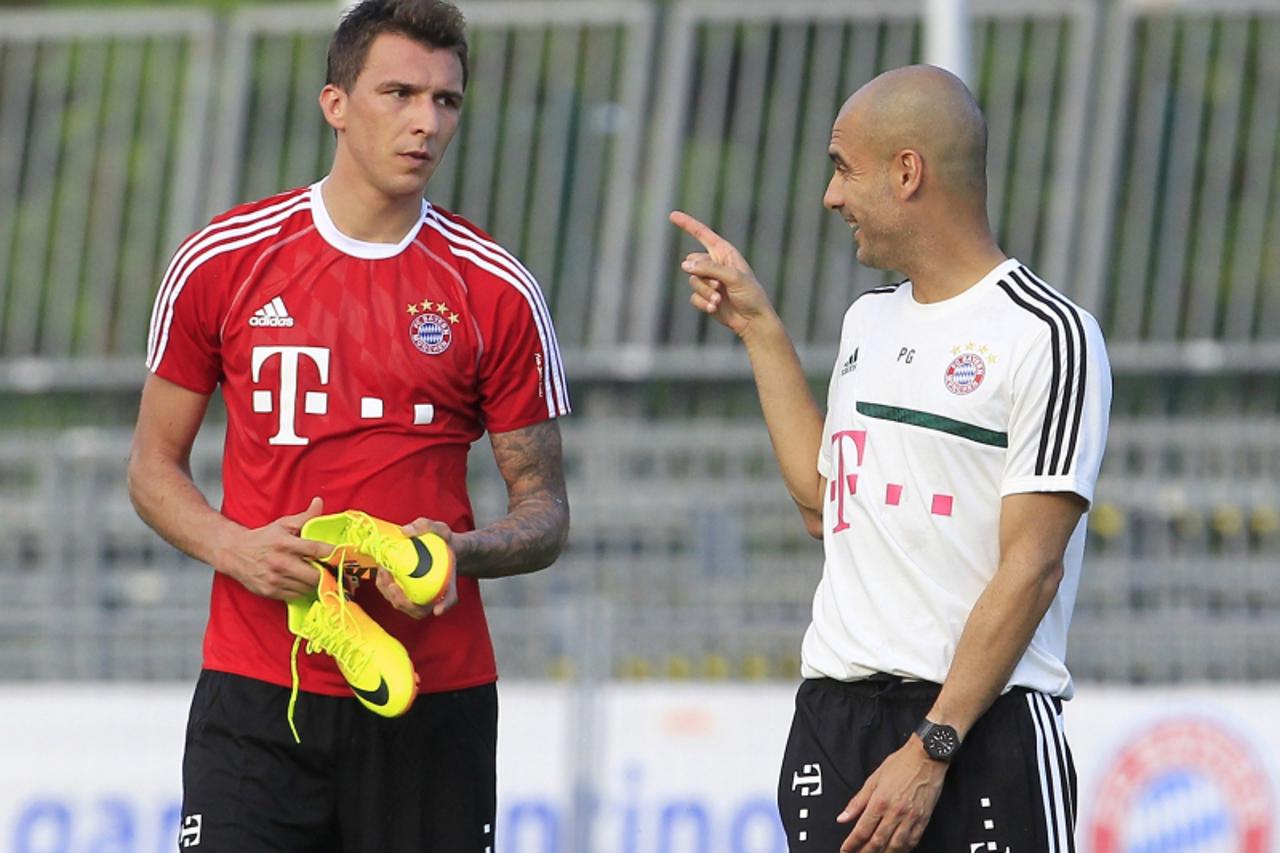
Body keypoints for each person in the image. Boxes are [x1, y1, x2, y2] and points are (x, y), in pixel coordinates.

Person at [127, 0, 570, 849]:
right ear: (335, 103)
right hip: (258, 689)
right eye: (398, 93)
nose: (425, 123)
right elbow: (152, 467)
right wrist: (235, 546)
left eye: (446, 101)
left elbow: (545, 511)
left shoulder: (497, 289)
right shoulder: (223, 259)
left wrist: (455, 552)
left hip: (434, 699)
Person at [671, 64, 1109, 852]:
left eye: (843, 168)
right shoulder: (867, 323)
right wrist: (761, 331)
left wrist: (934, 746)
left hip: (977, 732)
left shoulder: (1048, 334)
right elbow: (821, 506)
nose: (831, 197)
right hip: (836, 725)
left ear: (908, 172)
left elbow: (1034, 569)